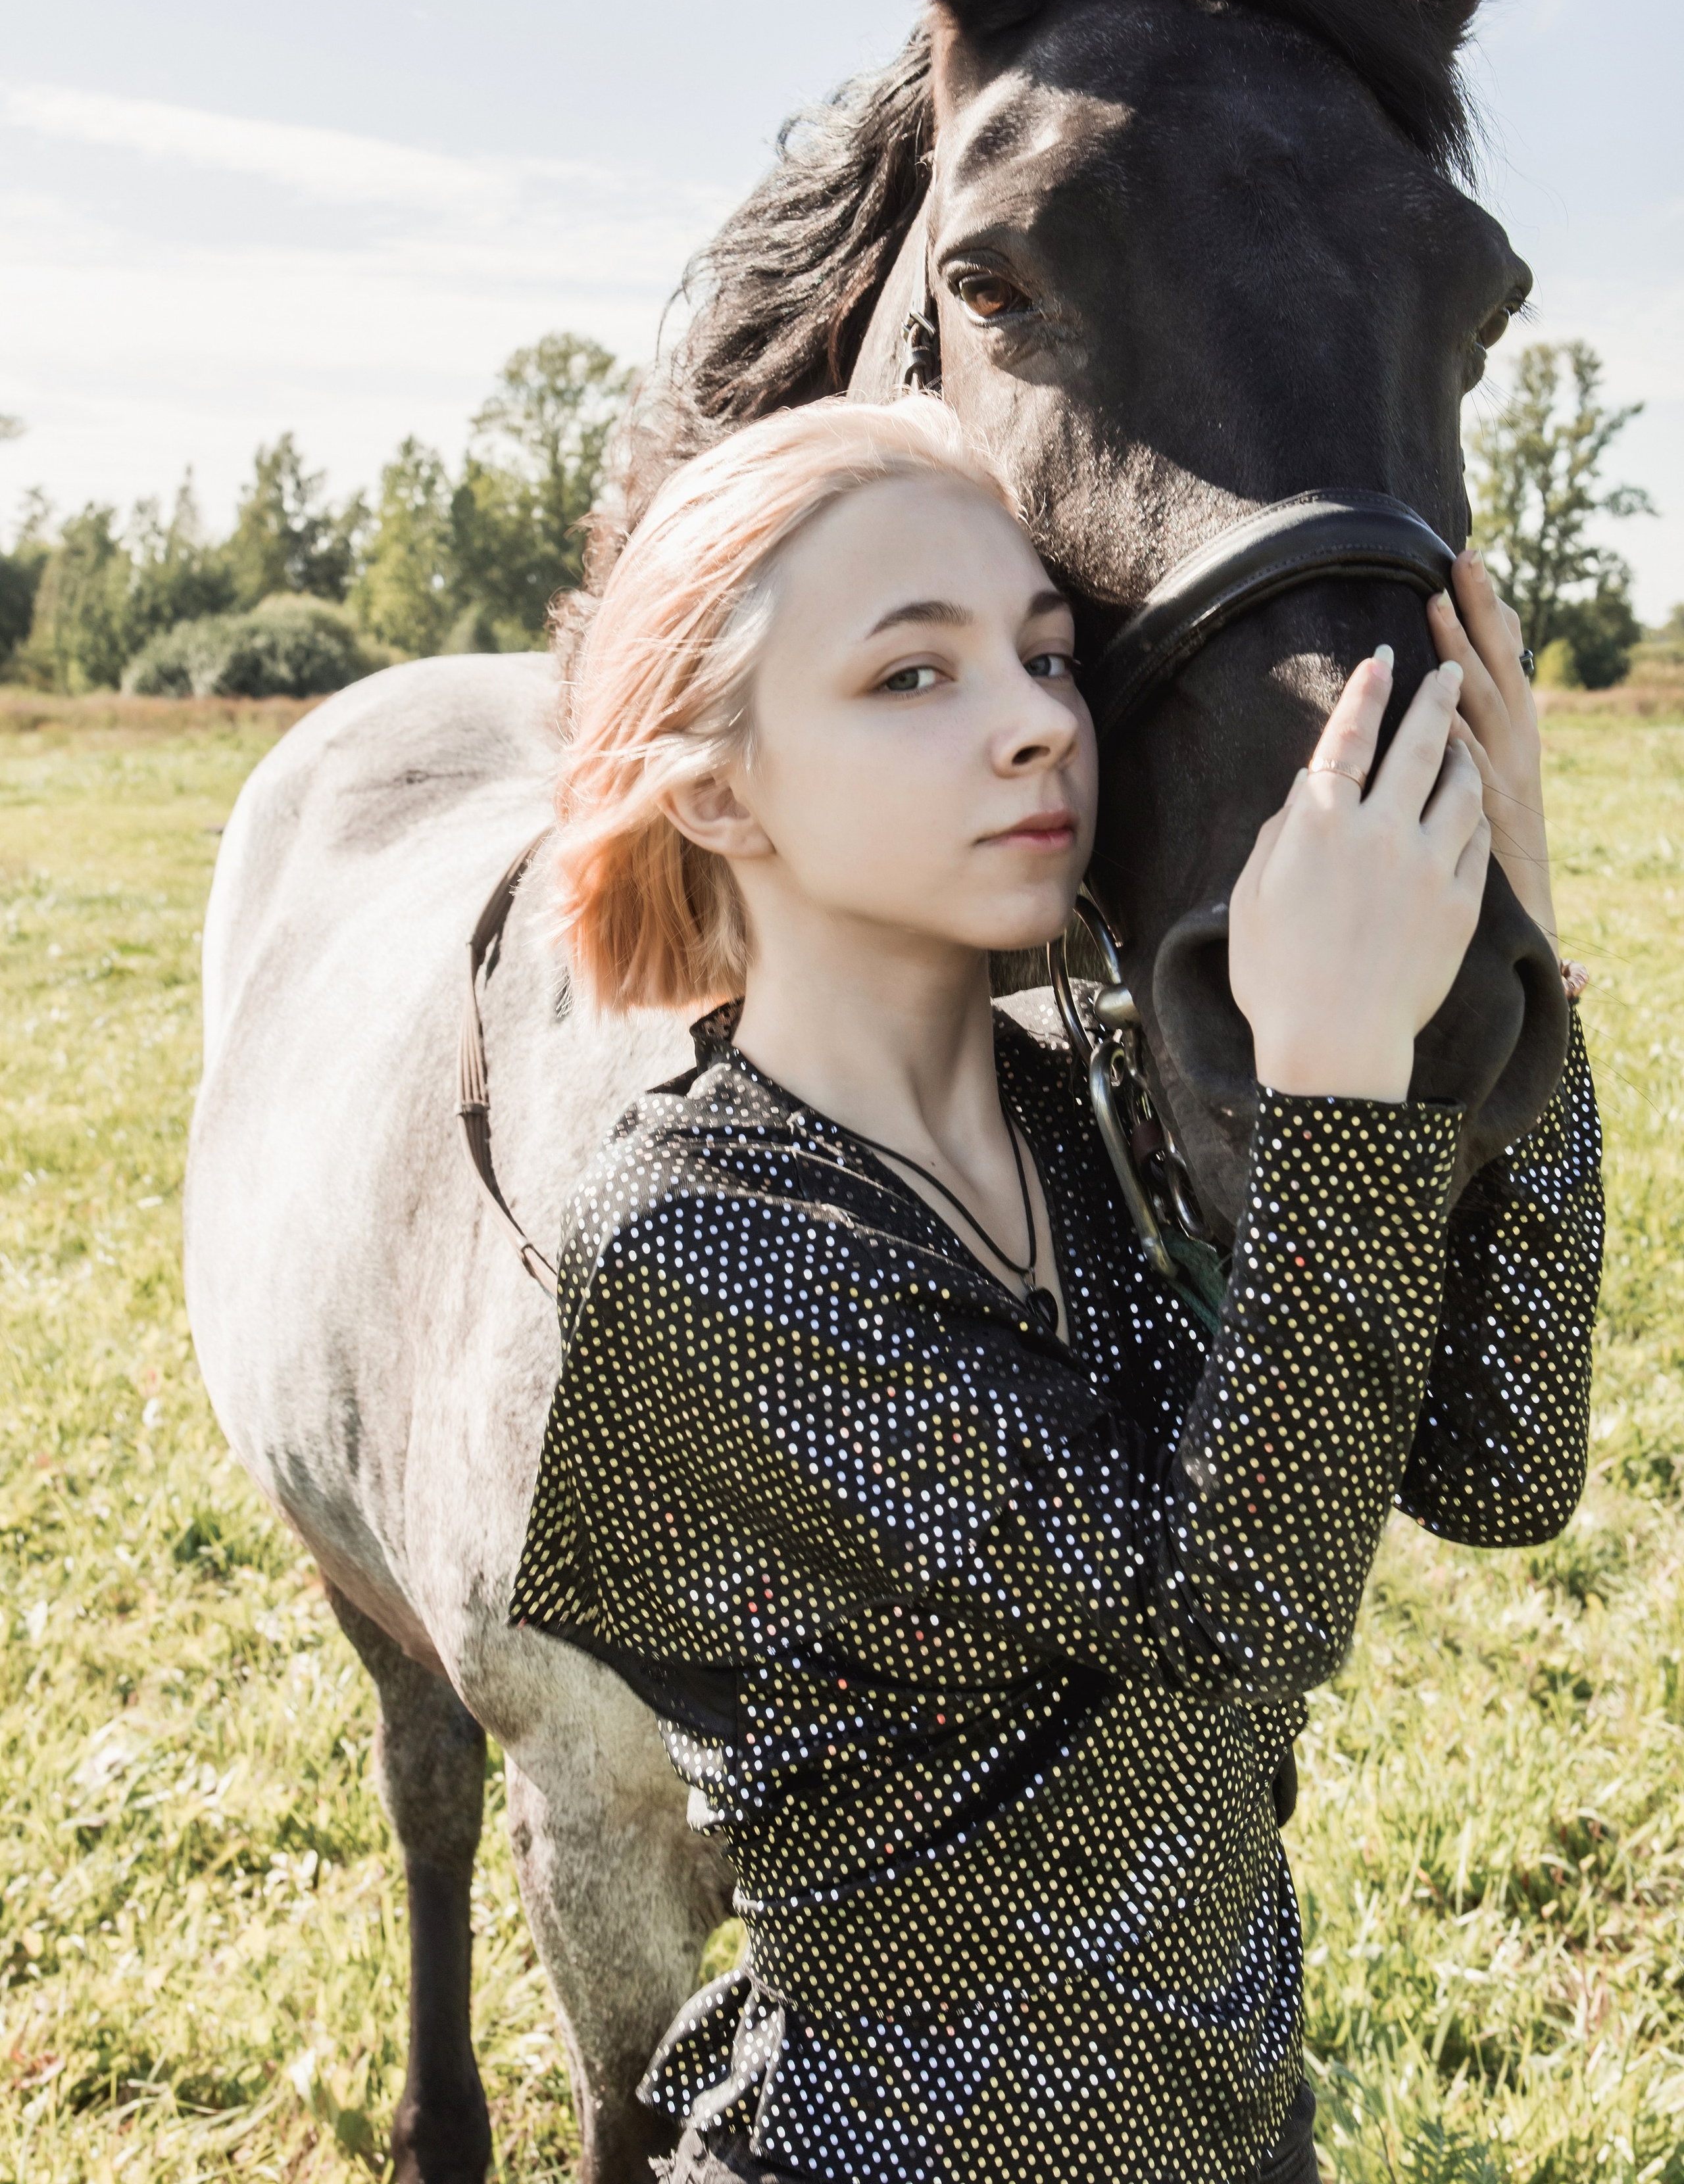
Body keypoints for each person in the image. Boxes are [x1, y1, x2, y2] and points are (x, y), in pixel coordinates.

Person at [509, 397, 1600, 2184]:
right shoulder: (689, 1234)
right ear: (711, 785)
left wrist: (1516, 950)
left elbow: (1501, 1461)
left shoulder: (1103, 1121)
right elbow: (1238, 1607)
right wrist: (1331, 1083)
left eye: (1044, 655)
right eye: (911, 679)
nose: (1037, 724)